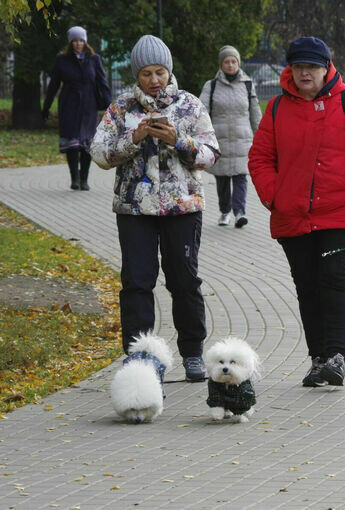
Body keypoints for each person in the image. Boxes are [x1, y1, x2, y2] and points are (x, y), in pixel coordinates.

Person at [248, 36, 345, 387]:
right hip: (293, 217)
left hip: (341, 215)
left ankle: (337, 357)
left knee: (336, 282)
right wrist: (275, 197)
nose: (304, 73)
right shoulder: (277, 108)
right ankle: (318, 358)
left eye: (312, 66)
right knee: (308, 288)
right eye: (298, 67)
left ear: (327, 69)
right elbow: (260, 158)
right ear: (290, 70)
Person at [90, 35, 220, 381]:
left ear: (169, 70)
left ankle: (192, 353)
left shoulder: (190, 105)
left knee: (184, 281)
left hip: (183, 208)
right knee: (136, 283)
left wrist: (177, 139)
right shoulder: (120, 109)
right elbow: (99, 154)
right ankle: (140, 356)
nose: (154, 80)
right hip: (134, 210)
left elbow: (209, 155)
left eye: (160, 72)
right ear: (137, 75)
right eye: (146, 73)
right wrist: (133, 140)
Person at [43, 26, 111, 191]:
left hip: (89, 106)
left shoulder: (94, 59)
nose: (78, 44)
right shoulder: (62, 59)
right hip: (69, 105)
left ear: (85, 41)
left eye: (81, 40)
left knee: (87, 144)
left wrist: (110, 106)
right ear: (70, 42)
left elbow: (102, 82)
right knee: (72, 144)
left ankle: (84, 179)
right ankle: (74, 178)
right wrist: (46, 107)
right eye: (75, 41)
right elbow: (53, 85)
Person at [200, 45, 262, 228]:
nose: (230, 64)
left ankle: (240, 213)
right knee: (223, 178)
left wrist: (261, 134)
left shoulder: (247, 84)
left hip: (243, 138)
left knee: (241, 176)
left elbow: (255, 112)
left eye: (233, 61)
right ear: (221, 64)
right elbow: (201, 111)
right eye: (226, 61)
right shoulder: (211, 86)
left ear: (238, 63)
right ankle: (225, 211)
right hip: (220, 139)